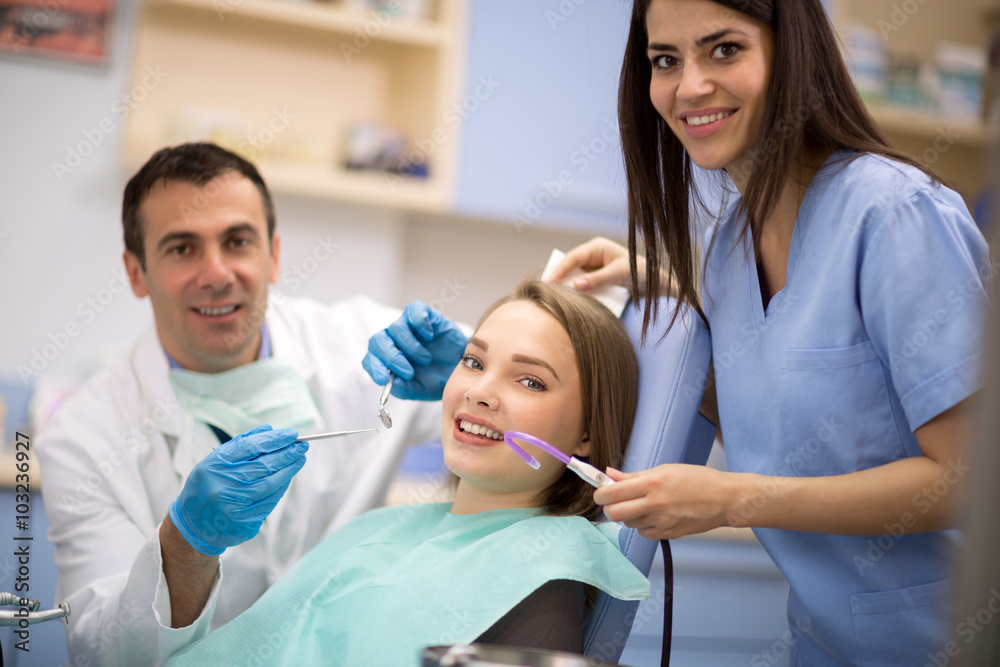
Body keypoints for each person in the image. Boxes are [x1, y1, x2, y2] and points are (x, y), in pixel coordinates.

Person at [543, 1, 991, 665]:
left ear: (793, 54)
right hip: (822, 646)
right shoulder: (728, 251)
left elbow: (969, 478)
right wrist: (666, 297)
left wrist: (730, 499)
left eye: (724, 49)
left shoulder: (895, 215)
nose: (689, 86)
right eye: (665, 59)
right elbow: (779, 422)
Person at [35, 142, 462, 665]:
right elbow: (104, 652)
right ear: (136, 273)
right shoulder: (84, 438)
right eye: (181, 248)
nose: (216, 273)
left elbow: (562, 370)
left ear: (273, 254)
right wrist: (185, 547)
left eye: (237, 241)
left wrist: (475, 370)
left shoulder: (364, 347)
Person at [164, 280, 650, 665]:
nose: (478, 391)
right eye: (473, 361)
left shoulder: (541, 573)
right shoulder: (383, 527)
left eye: (530, 380)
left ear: (587, 434)